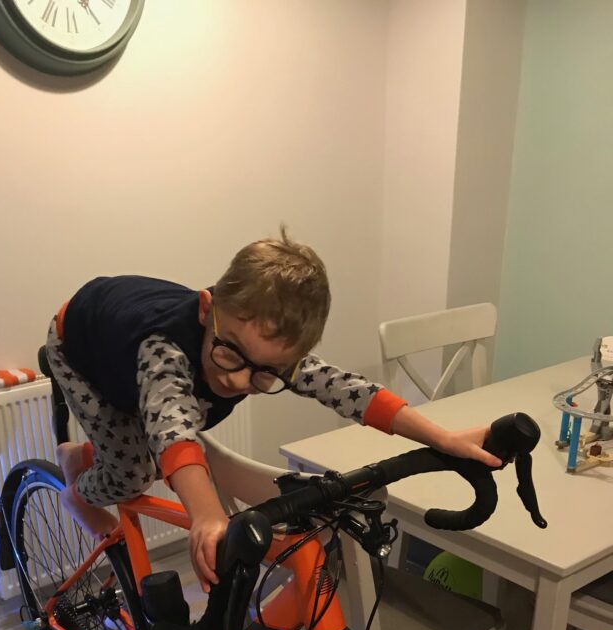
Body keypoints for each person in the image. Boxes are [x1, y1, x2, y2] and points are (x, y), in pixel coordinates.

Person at [46, 229, 500, 592]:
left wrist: (441, 437)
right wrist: (206, 515)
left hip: (130, 342)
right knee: (131, 473)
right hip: (82, 347)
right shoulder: (165, 352)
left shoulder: (246, 342)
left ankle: (93, 458)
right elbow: (173, 430)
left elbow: (350, 391)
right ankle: (76, 489)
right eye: (231, 355)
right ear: (207, 311)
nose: (241, 382)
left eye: (267, 372)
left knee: (155, 441)